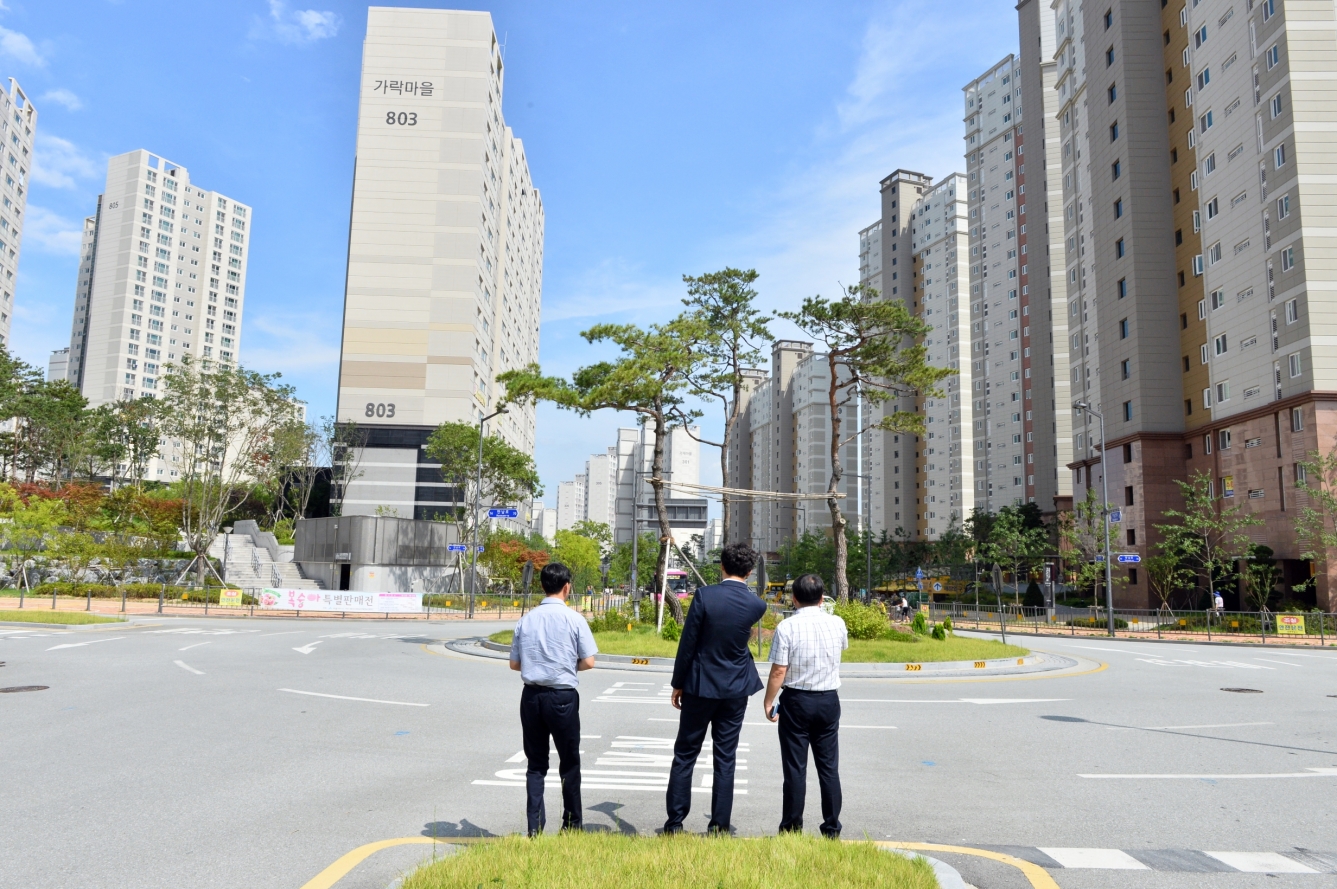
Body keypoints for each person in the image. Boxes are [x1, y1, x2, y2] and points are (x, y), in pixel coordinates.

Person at [663, 541, 767, 835]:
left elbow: (688, 643)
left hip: (699, 684)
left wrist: (678, 683)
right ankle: (719, 825)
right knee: (725, 756)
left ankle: (675, 823)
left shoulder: (705, 596)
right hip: (736, 688)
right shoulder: (757, 605)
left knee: (685, 753)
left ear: (722, 566)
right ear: (749, 572)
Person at [509, 562, 598, 836]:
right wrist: (567, 667)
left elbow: (514, 665)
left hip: (532, 697)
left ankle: (534, 828)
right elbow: (590, 662)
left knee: (535, 765)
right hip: (562, 698)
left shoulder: (526, 620)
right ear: (567, 587)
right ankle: (571, 825)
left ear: (542, 586)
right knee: (569, 762)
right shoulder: (575, 619)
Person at [763, 573, 848, 838]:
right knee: (828, 768)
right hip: (828, 700)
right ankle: (831, 828)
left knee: (795, 769)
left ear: (794, 599)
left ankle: (791, 828)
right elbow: (840, 650)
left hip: (797, 701)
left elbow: (779, 671)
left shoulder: (787, 627)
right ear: (822, 598)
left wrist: (768, 702)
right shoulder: (837, 623)